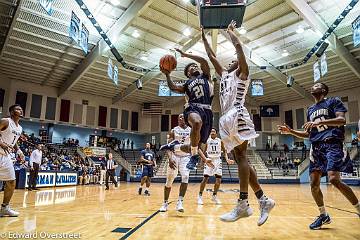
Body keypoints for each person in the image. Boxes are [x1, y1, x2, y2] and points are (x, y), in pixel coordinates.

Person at [201, 20, 275, 226]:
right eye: (232, 59)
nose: (233, 60)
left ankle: (243, 202)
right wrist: (203, 37)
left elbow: (239, 48)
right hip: (224, 117)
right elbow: (211, 56)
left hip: (237, 113)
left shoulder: (243, 74)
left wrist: (230, 32)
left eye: (236, 59)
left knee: (242, 156)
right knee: (241, 157)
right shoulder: (224, 75)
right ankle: (263, 200)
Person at [278, 82, 360, 229]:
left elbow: (342, 120)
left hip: (332, 144)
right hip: (316, 148)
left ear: (323, 90)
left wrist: (318, 123)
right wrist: (291, 131)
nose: (313, 86)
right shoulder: (310, 109)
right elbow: (309, 133)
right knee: (314, 184)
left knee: (334, 179)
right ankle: (323, 215)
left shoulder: (333, 101)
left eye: (316, 85)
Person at [160, 47, 214, 170]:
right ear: (188, 73)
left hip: (208, 111)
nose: (195, 66)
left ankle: (173, 147)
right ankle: (194, 156)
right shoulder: (187, 84)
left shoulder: (205, 76)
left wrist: (186, 55)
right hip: (193, 108)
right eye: (191, 67)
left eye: (196, 65)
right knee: (196, 122)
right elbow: (173, 87)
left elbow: (204, 61)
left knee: (194, 146)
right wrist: (168, 75)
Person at [160, 114, 191, 212]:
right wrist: (170, 159)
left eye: (182, 117)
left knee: (185, 177)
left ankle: (180, 202)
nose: (181, 119)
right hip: (175, 156)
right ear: (178, 120)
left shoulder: (191, 130)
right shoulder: (173, 131)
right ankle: (165, 203)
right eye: (179, 118)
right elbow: (169, 146)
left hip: (186, 156)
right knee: (169, 181)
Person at [198, 128, 234, 205]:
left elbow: (224, 151)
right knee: (205, 179)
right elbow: (203, 152)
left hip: (217, 160)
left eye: (213, 131)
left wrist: (227, 159)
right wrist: (202, 162)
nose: (212, 132)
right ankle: (200, 196)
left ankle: (214, 195)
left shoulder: (220, 141)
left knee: (218, 180)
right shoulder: (207, 140)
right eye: (211, 131)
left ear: (216, 133)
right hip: (209, 160)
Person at [0, 104, 24, 217]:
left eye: (21, 109)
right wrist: (1, 143)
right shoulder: (5, 121)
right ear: (11, 112)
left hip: (6, 156)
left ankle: (5, 207)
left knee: (11, 181)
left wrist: (19, 151)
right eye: (17, 109)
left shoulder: (19, 128)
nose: (20, 110)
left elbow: (14, 141)